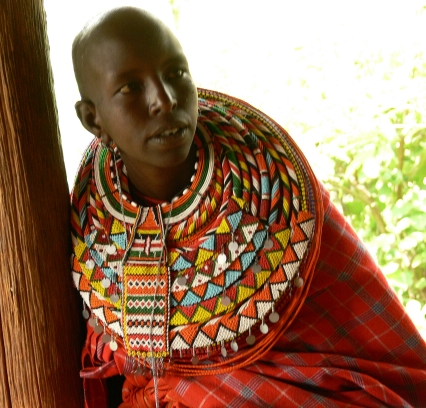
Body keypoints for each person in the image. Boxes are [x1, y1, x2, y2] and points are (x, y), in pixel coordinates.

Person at [69, 6, 426, 408]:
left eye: (176, 73)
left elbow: (376, 346)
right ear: (93, 120)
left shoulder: (279, 194)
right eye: (131, 88)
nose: (164, 100)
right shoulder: (90, 227)